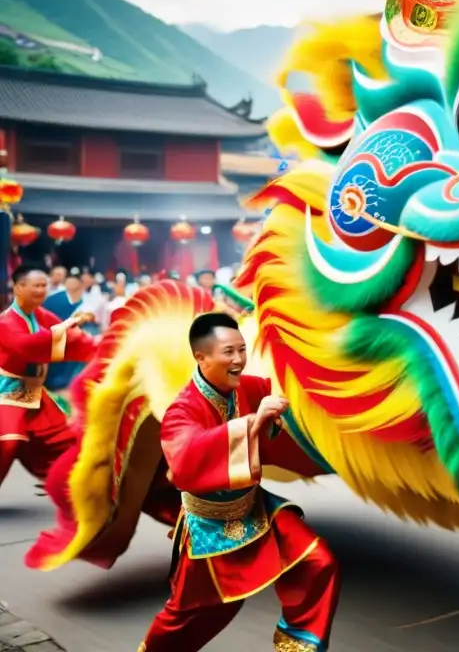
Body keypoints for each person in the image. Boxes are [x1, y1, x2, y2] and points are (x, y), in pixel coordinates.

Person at [138, 312, 340, 652]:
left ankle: (298, 648)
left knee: (318, 562)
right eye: (228, 352)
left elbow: (286, 389)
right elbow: (186, 462)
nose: (239, 360)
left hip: (254, 507)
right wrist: (253, 421)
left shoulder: (246, 387)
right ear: (201, 357)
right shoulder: (182, 411)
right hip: (210, 525)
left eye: (242, 350)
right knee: (200, 614)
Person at [0, 265, 97, 490]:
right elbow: (29, 347)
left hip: (33, 392)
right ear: (19, 288)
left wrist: (101, 346)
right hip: (6, 393)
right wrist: (67, 326)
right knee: (9, 441)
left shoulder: (40, 315)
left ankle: (63, 482)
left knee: (67, 438)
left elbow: (70, 337)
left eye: (45, 286)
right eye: (37, 285)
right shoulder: (6, 322)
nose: (42, 290)